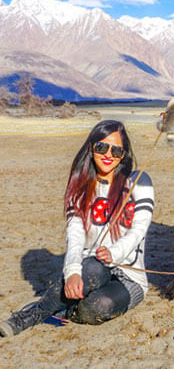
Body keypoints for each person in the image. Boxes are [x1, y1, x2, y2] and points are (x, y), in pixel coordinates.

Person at [0, 120, 154, 336]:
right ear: (91, 147)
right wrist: (72, 273)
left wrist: (114, 252)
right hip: (92, 268)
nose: (108, 154)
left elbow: (139, 230)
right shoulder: (80, 190)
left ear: (123, 155)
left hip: (130, 276)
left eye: (116, 150)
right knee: (92, 267)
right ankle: (32, 314)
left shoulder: (139, 181)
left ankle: (62, 309)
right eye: (101, 147)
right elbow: (75, 238)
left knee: (96, 310)